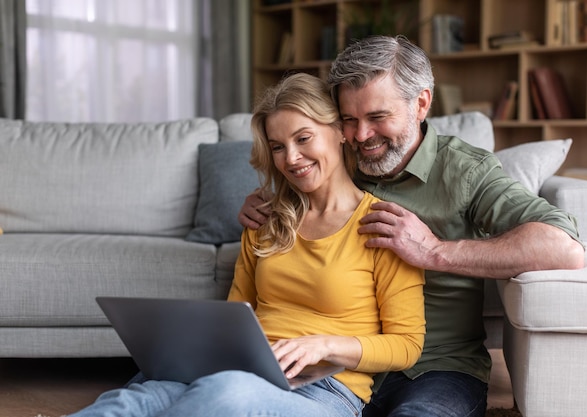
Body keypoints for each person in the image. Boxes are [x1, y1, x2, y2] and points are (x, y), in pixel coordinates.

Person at [238, 36, 585, 417]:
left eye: (377, 117)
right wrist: (272, 199)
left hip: (434, 368)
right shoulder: (342, 157)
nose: (362, 136)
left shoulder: (464, 171)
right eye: (350, 120)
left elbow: (562, 247)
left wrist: (434, 251)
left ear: (421, 103)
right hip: (342, 375)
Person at [68, 72, 426, 417]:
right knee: (132, 400)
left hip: (326, 389)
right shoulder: (266, 220)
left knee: (222, 397)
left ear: (339, 133)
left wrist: (324, 344)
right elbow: (236, 314)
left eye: (304, 139)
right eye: (277, 147)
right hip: (238, 370)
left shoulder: (385, 225)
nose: (292, 158)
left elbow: (406, 346)